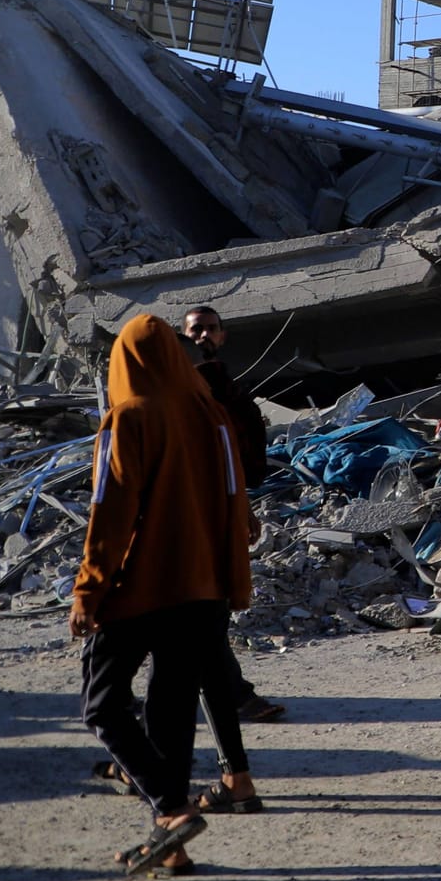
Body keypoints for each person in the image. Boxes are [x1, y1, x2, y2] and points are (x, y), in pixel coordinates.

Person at [75, 314, 254, 876]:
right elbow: (236, 503)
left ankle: (171, 810)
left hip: (141, 589)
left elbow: (110, 514)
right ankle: (170, 843)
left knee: (103, 706)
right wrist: (233, 576)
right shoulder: (212, 416)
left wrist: (89, 590)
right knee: (170, 710)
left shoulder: (128, 419)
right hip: (204, 592)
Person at [181, 305, 287, 727]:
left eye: (210, 330)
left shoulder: (228, 391)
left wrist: (242, 505)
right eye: (195, 331)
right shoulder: (180, 397)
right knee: (200, 612)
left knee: (202, 613)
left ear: (222, 336)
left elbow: (236, 459)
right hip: (189, 518)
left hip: (218, 512)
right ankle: (234, 697)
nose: (203, 337)